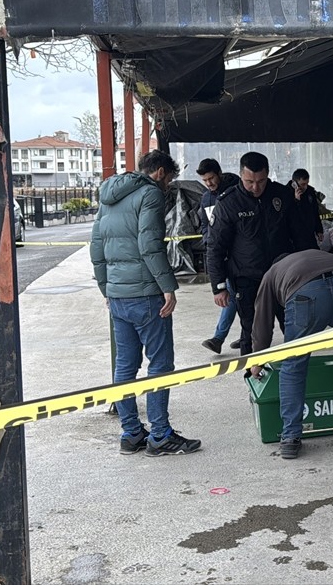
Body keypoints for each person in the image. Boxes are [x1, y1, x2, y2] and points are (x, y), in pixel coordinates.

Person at [90, 149, 201, 457]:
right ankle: (161, 435)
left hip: (118, 297)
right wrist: (168, 287)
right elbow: (150, 245)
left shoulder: (108, 196)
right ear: (161, 172)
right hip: (146, 296)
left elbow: (96, 246)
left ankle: (131, 433)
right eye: (170, 179)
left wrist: (106, 289)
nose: (168, 186)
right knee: (161, 364)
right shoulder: (150, 194)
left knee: (124, 366)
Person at [251, 250, 333, 459]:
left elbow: (262, 320)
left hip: (307, 295)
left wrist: (257, 361)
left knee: (293, 366)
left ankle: (290, 438)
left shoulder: (272, 273)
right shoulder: (320, 255)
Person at [206, 152, 318, 355]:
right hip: (248, 279)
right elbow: (215, 248)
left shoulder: (282, 196)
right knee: (252, 333)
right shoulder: (229, 203)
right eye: (249, 182)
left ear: (268, 175)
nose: (256, 187)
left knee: (297, 330)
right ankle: (253, 377)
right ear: (241, 176)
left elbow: (302, 236)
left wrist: (314, 272)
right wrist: (218, 286)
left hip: (285, 277)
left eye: (261, 181)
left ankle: (297, 378)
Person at [195, 158, 242, 355]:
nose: (209, 183)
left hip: (239, 254)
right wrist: (209, 239)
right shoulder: (206, 199)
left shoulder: (236, 192)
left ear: (219, 173)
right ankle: (249, 332)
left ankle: (220, 337)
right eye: (205, 180)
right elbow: (205, 225)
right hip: (219, 255)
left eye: (211, 178)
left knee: (233, 294)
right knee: (235, 295)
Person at [290, 168, 325, 246]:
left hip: (309, 233)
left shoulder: (310, 192)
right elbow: (291, 215)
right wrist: (297, 200)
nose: (305, 187)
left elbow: (315, 212)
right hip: (294, 237)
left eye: (307, 183)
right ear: (294, 183)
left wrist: (319, 230)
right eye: (302, 184)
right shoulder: (286, 194)